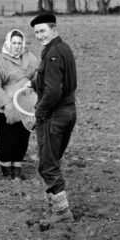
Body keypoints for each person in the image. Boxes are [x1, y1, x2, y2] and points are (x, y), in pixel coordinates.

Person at [27, 12, 77, 224]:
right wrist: (33, 83)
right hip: (68, 111)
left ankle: (61, 212)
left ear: (54, 29)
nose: (39, 35)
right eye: (36, 32)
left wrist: (39, 112)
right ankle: (56, 206)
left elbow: (54, 91)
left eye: (43, 31)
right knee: (52, 160)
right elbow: (53, 78)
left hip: (55, 115)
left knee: (48, 164)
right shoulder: (62, 48)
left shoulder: (53, 53)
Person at [0, 30, 39, 180]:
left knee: (22, 139)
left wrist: (32, 88)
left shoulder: (31, 59)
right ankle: (6, 171)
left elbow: (38, 79)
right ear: (8, 43)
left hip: (25, 107)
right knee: (6, 139)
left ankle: (17, 169)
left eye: (19, 43)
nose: (16, 46)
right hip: (7, 108)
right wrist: (8, 104)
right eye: (14, 43)